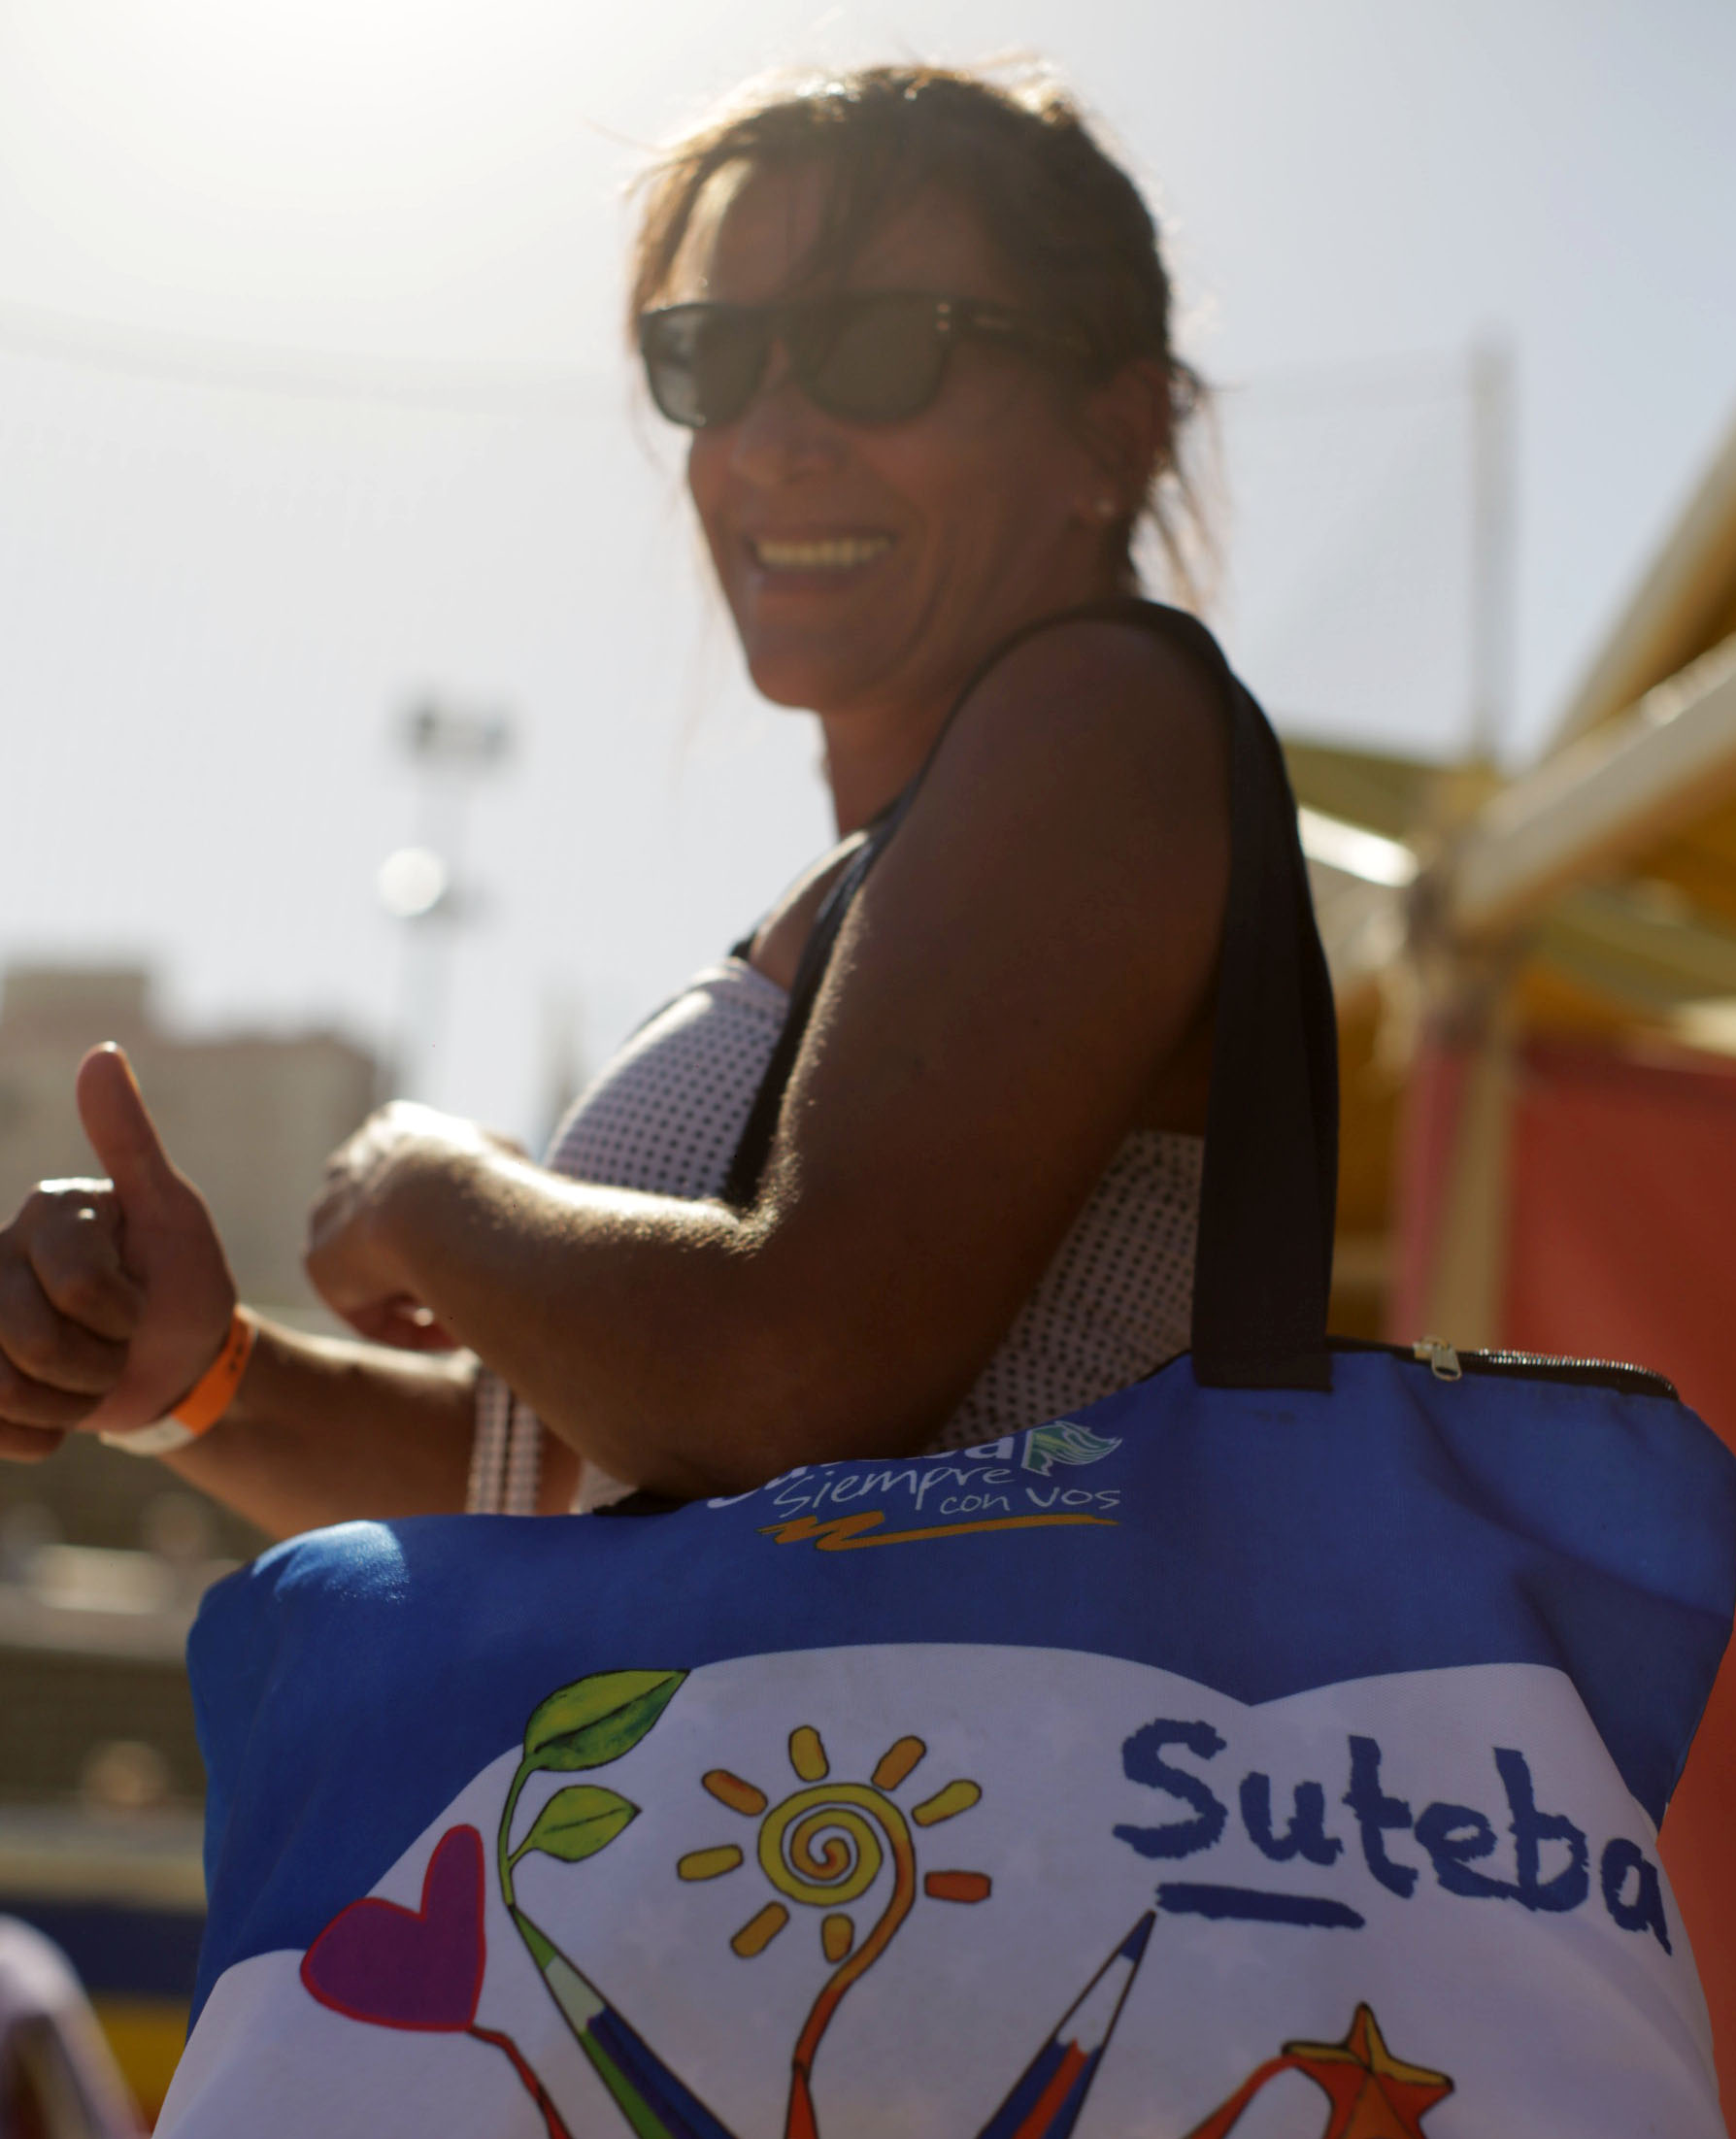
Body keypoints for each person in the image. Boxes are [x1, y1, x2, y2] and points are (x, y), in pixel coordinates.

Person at [0, 64, 1243, 1538]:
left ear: (1115, 434)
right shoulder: (909, 857)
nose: (768, 438)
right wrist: (194, 1379)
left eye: (878, 347)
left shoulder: (1100, 717)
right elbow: (569, 1490)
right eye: (713, 357)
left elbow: (785, 1393)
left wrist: (423, 1191)